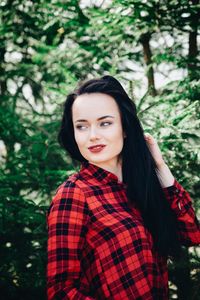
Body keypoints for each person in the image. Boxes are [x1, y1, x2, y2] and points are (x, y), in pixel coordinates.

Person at [47, 75, 200, 299]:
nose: (93, 136)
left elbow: (192, 234)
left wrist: (160, 167)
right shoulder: (74, 195)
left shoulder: (139, 187)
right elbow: (60, 291)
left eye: (105, 123)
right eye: (81, 126)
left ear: (125, 128)